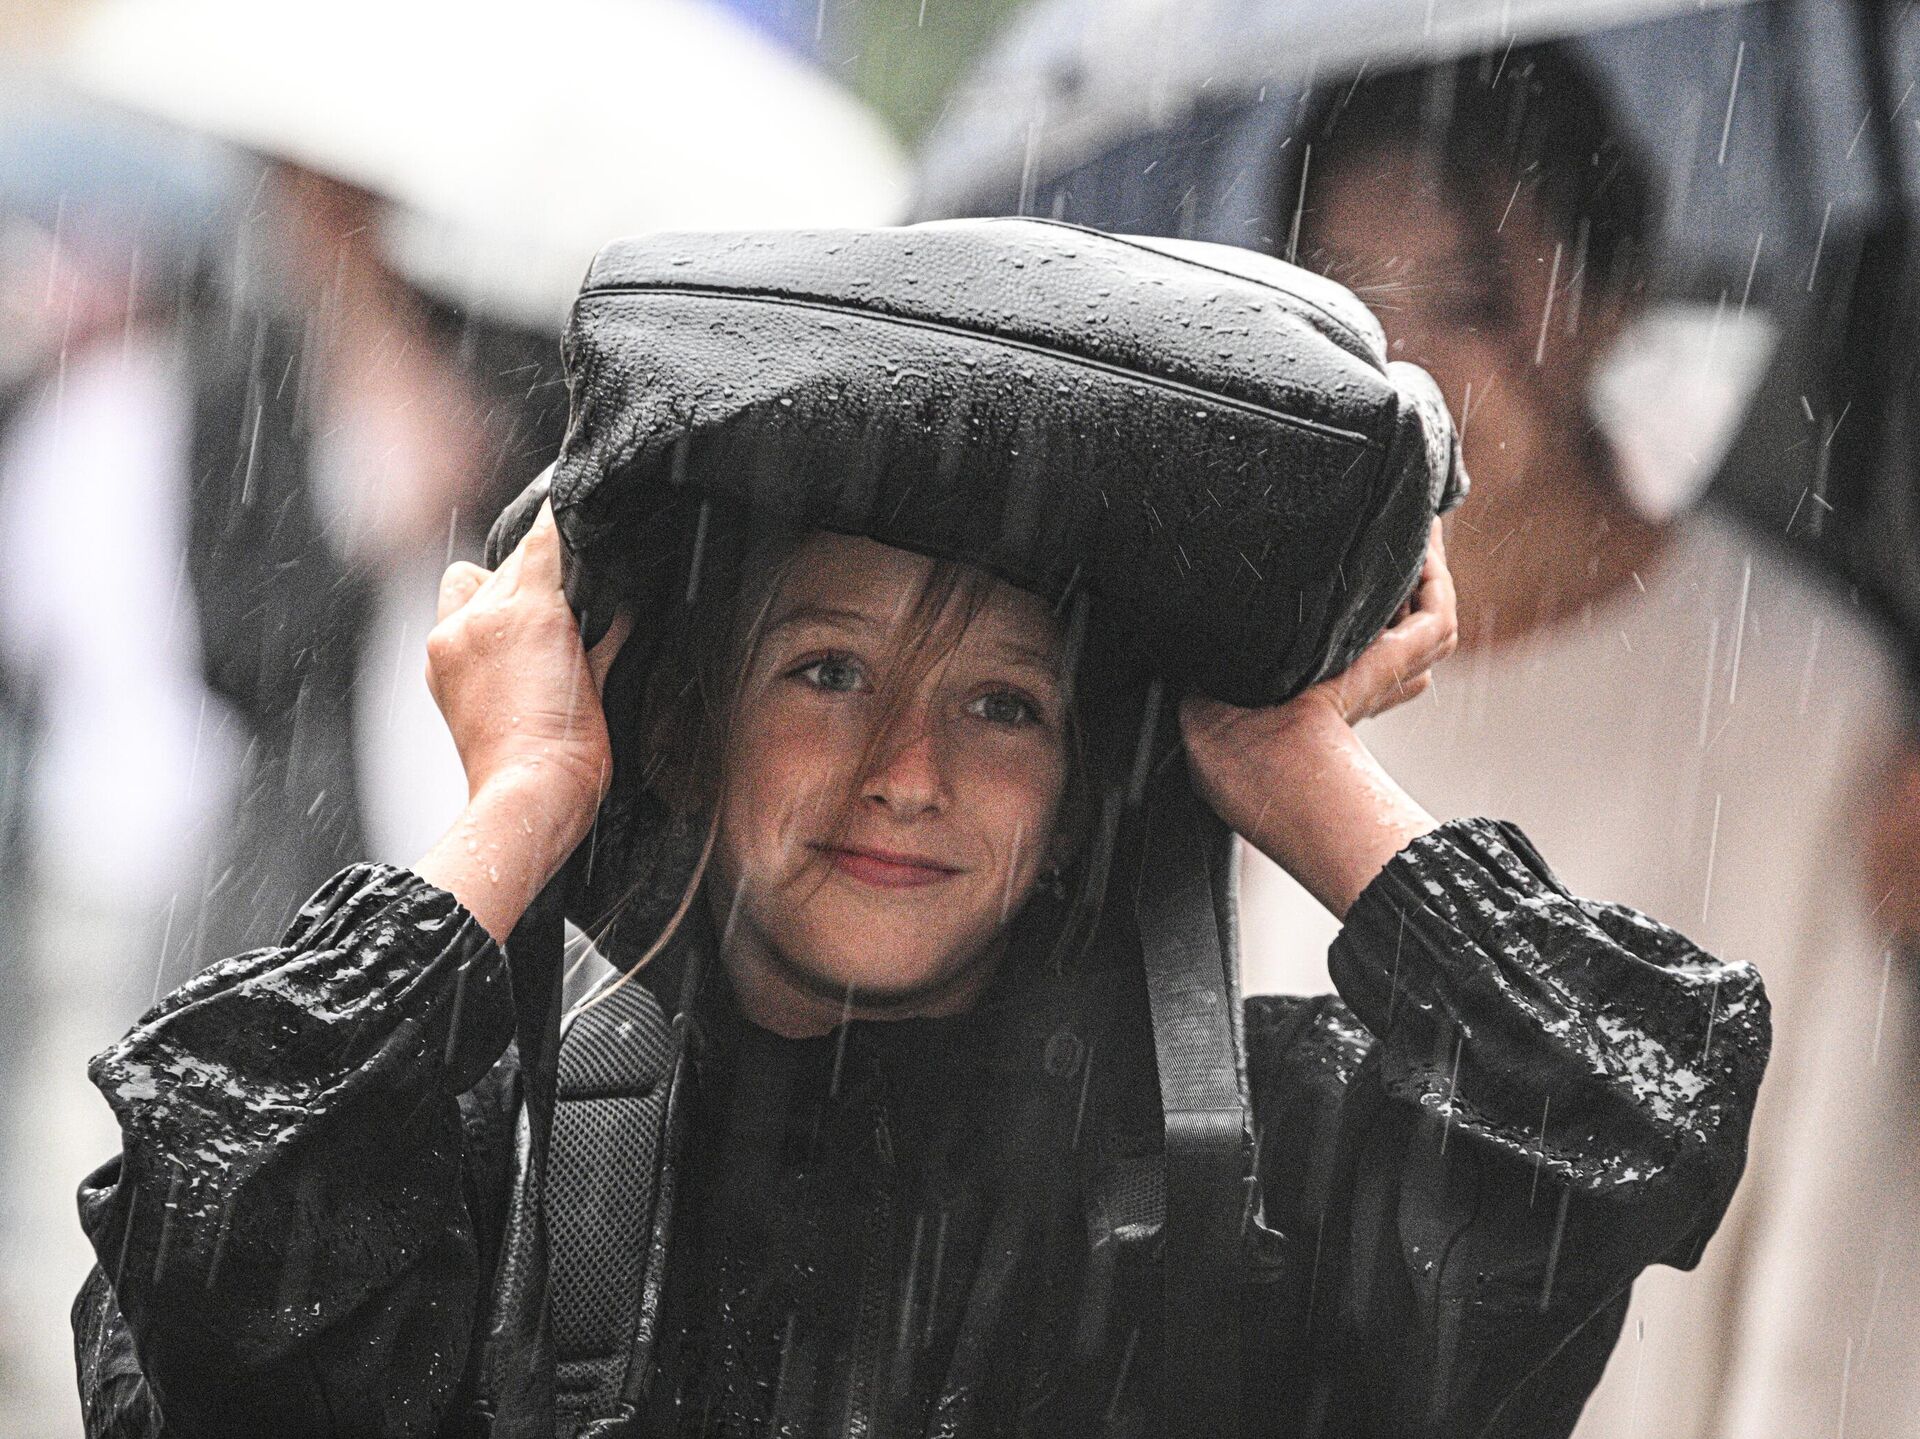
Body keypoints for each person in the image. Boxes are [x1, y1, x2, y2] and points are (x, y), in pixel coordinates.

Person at [70, 221, 1766, 1438]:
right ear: (689, 726)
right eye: (829, 671)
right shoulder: (480, 1170)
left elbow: (1627, 1103)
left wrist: (1286, 758)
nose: (907, 769)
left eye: (1004, 705)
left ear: (1083, 789)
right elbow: (198, 1218)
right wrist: (524, 795)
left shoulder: (1265, 1181)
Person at [1238, 51, 1920, 1439]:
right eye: (1351, 300)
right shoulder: (1251, 669)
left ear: (1611, 302)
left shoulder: (1802, 690)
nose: (1406, 366)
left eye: (1467, 301)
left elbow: (1838, 1256)